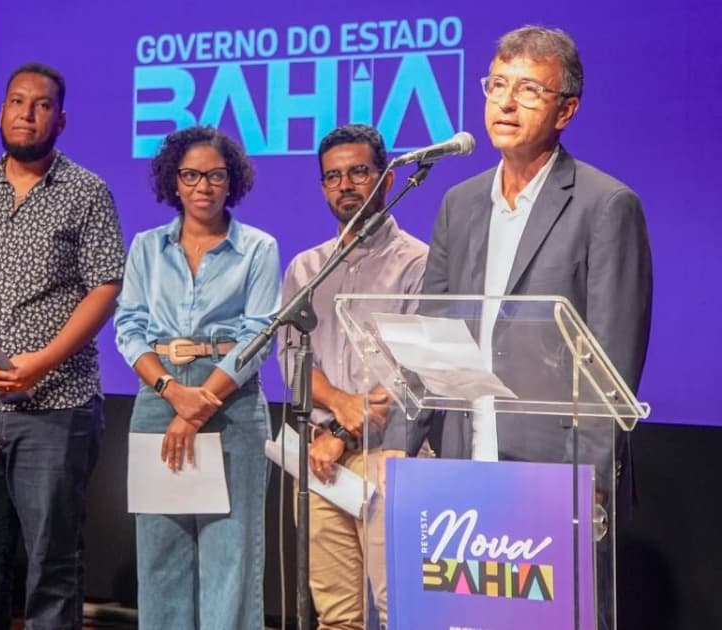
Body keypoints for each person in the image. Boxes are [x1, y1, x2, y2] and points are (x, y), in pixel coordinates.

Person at [384, 26, 653, 627]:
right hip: (465, 454)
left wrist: (592, 480)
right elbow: (433, 327)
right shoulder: (460, 201)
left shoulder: (605, 205)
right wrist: (398, 447)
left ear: (567, 110)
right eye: (497, 85)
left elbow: (612, 356)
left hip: (554, 471)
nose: (505, 104)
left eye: (529, 90)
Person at [0, 62, 125, 629]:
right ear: (1, 112)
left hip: (54, 407)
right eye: (17, 102)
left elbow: (105, 286)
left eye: (41, 105)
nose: (27, 113)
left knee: (52, 560)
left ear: (60, 120)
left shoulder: (86, 191)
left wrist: (41, 363)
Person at [115, 125, 281, 629]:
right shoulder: (146, 247)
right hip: (157, 395)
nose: (204, 186)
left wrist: (200, 402)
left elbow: (259, 335)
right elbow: (129, 327)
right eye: (191, 175)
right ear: (174, 180)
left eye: (215, 175)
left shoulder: (258, 248)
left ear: (232, 182)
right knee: (161, 557)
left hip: (230, 401)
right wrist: (171, 391)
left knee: (230, 555)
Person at [279, 124, 428, 630]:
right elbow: (291, 357)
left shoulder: (420, 263)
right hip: (321, 461)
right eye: (333, 176)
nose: (346, 184)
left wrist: (343, 432)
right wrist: (338, 408)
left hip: (390, 458)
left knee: (398, 611)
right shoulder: (307, 268)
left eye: (359, 171)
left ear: (386, 179)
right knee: (337, 617)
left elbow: (413, 373)